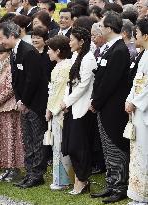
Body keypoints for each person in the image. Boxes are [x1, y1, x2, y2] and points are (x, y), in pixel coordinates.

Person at [0, 22, 48, 189]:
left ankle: (37, 174)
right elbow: (17, 79)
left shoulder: (28, 51)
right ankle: (29, 173)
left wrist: (24, 101)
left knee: (37, 140)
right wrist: (20, 100)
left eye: (2, 38)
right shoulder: (14, 52)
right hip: (24, 103)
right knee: (27, 140)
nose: (1, 42)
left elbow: (32, 80)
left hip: (34, 104)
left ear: (12, 36)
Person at [90, 11, 131, 204]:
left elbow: (109, 82)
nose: (99, 28)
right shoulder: (109, 48)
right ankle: (111, 184)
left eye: (101, 25)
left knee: (116, 146)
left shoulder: (120, 50)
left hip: (113, 108)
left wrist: (96, 101)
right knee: (108, 147)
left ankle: (120, 186)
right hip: (104, 106)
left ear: (108, 28)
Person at [60, 27, 97, 195]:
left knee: (78, 146)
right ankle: (79, 180)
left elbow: (83, 85)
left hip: (82, 107)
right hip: (72, 106)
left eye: (72, 39)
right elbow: (72, 83)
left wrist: (67, 101)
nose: (69, 42)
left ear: (81, 41)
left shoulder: (88, 58)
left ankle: (82, 180)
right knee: (69, 145)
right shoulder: (75, 55)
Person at [0, 43, 24, 182]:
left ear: (9, 53)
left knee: (11, 139)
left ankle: (14, 169)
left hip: (9, 107)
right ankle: (6, 168)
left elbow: (10, 89)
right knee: (2, 140)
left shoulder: (10, 67)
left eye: (2, 53)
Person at [45, 35, 74, 190]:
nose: (48, 53)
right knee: (59, 144)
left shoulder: (62, 68)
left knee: (60, 145)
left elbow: (57, 93)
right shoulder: (62, 66)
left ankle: (62, 181)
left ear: (57, 51)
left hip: (60, 110)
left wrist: (50, 110)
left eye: (49, 50)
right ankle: (62, 179)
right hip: (60, 108)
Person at [125, 18, 148, 205]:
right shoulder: (144, 54)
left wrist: (136, 102)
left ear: (146, 36)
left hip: (144, 109)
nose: (134, 38)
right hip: (138, 109)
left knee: (144, 152)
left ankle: (144, 194)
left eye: (137, 34)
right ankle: (138, 193)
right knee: (138, 152)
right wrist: (129, 99)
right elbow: (137, 82)